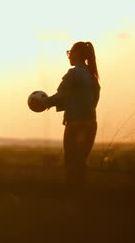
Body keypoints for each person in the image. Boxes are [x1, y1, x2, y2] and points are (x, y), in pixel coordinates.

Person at [43, 41, 101, 188]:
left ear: (78, 54)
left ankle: (72, 196)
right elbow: (94, 99)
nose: (69, 56)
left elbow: (60, 96)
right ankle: (83, 197)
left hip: (75, 124)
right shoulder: (92, 76)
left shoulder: (74, 73)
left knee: (70, 164)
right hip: (91, 124)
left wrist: (44, 103)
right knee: (81, 163)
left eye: (71, 52)